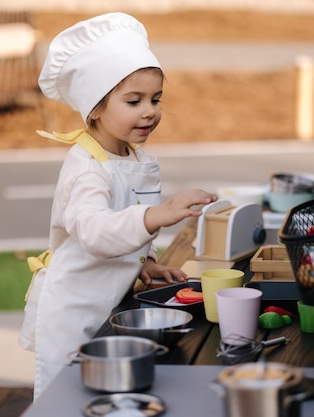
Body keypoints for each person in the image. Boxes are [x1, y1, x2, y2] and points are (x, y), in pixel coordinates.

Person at [18, 12, 217, 400]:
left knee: (109, 396)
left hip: (110, 305)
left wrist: (144, 262)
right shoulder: (87, 169)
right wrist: (159, 215)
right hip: (74, 314)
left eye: (156, 99)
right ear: (95, 107)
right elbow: (96, 233)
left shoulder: (131, 155)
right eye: (134, 100)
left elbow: (128, 224)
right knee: (68, 399)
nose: (150, 111)